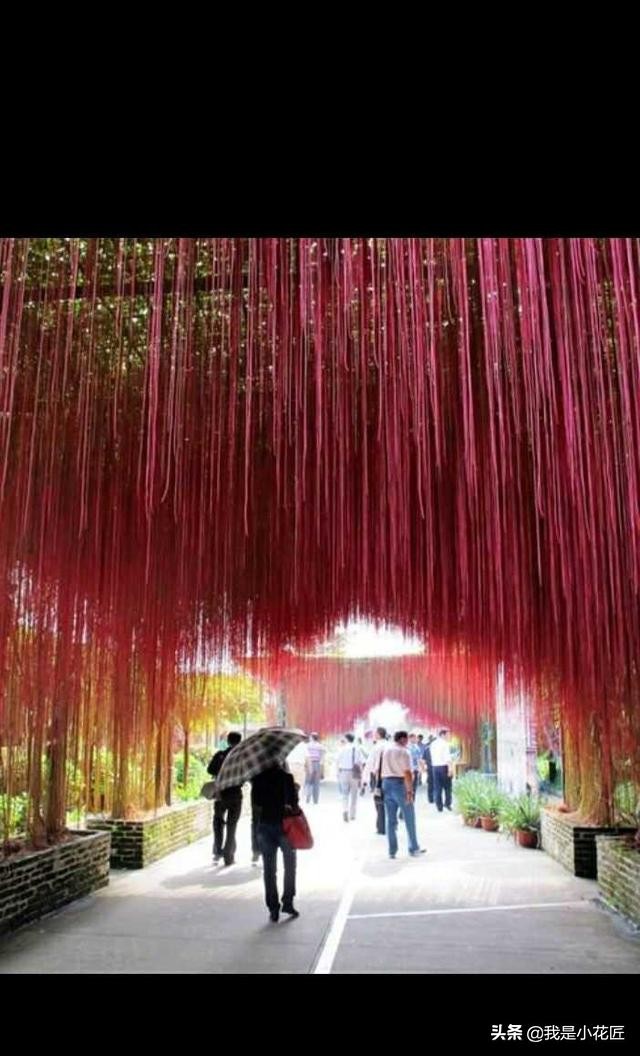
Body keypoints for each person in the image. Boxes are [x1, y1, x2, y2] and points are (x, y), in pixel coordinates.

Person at [251, 763, 300, 922]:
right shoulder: (287, 778)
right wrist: (294, 791)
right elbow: (294, 803)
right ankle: (288, 902)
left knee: (269, 870)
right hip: (285, 827)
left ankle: (273, 908)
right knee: (290, 866)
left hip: (265, 826)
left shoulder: (258, 779)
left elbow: (256, 802)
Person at [381, 731, 426, 859]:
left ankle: (392, 851)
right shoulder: (404, 752)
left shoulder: (386, 750)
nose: (408, 742)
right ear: (402, 739)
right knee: (409, 817)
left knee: (390, 820)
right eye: (406, 739)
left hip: (386, 783)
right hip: (400, 784)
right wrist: (410, 791)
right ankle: (414, 848)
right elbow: (407, 773)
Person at [207, 731, 243, 865]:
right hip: (235, 794)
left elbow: (210, 770)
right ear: (240, 742)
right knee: (232, 826)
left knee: (218, 823)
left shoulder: (220, 755)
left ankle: (217, 852)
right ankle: (229, 856)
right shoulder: (242, 757)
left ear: (228, 741)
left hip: (220, 794)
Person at [362, 726, 389, 835]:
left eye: (375, 733)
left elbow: (369, 764)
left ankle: (381, 827)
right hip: (391, 777)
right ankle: (391, 824)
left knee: (379, 802)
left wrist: (365, 779)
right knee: (390, 802)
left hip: (378, 778)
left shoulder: (377, 747)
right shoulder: (390, 745)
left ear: (378, 735)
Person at [336, 733, 367, 822]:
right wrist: (362, 775)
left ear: (346, 739)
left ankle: (345, 810)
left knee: (344, 794)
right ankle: (352, 814)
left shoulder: (342, 749)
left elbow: (337, 761)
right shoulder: (357, 749)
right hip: (354, 773)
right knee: (354, 795)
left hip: (343, 772)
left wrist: (337, 773)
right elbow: (360, 763)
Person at [430, 727, 453, 812]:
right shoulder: (445, 744)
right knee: (447, 787)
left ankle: (439, 806)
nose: (449, 736)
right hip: (444, 767)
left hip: (435, 767)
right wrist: (450, 769)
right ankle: (447, 803)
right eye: (448, 734)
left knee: (437, 787)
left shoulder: (433, 744)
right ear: (443, 734)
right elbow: (447, 758)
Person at [304, 732, 326, 805]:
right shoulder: (321, 746)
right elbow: (322, 758)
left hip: (309, 764)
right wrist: (322, 769)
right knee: (316, 783)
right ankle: (315, 800)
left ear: (311, 737)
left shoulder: (307, 746)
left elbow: (305, 757)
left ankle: (307, 799)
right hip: (317, 764)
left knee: (308, 782)